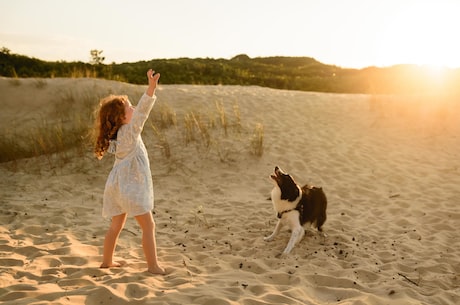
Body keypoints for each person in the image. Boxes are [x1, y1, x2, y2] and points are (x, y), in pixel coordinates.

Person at [94, 69, 165, 275]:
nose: (133, 107)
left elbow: (137, 112)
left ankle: (107, 262)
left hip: (115, 187)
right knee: (148, 226)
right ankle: (153, 266)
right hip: (130, 188)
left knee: (116, 225)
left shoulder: (117, 136)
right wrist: (151, 88)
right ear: (122, 118)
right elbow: (142, 111)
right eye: (128, 107)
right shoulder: (131, 131)